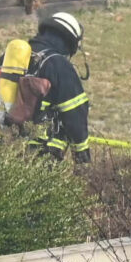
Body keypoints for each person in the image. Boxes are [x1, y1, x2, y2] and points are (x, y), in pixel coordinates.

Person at [28, 11, 90, 163]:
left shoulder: (12, 57)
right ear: (70, 41)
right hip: (40, 154)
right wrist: (83, 158)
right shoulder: (59, 64)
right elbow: (75, 114)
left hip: (1, 146)